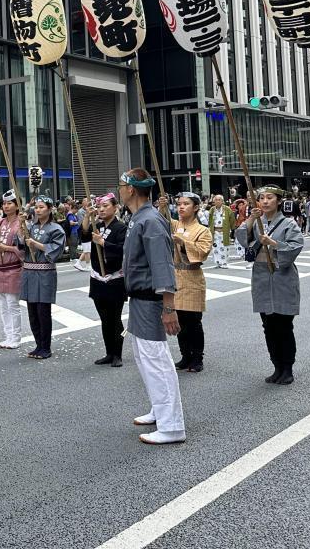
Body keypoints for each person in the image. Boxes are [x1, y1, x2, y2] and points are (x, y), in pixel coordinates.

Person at [119, 168, 185, 445]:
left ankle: (172, 426)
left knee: (157, 361)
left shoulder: (151, 221)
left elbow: (162, 265)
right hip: (139, 299)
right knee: (145, 359)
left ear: (131, 189)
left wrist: (169, 308)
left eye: (122, 185)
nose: (120, 189)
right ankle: (160, 410)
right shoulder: (139, 218)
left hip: (151, 301)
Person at [236, 185, 305, 385]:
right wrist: (250, 218)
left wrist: (274, 243)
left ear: (278, 201)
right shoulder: (257, 222)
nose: (265, 201)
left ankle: (287, 367)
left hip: (281, 275)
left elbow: (295, 246)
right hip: (261, 277)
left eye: (270, 198)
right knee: (268, 325)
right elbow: (241, 238)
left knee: (283, 325)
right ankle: (276, 366)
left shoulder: (288, 223)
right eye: (262, 198)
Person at [167, 192, 213, 373]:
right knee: (179, 321)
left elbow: (201, 253)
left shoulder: (203, 230)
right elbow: (162, 220)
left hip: (192, 277)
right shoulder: (175, 225)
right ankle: (185, 355)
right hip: (175, 276)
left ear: (195, 208)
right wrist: (163, 206)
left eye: (186, 204)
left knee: (193, 321)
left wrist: (184, 243)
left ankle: (197, 358)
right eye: (179, 203)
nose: (181, 207)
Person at [80, 192, 127, 367]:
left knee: (116, 319)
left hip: (114, 279)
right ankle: (108, 352)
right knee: (104, 318)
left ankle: (118, 354)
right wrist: (87, 216)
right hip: (98, 279)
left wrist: (104, 243)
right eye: (99, 206)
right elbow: (84, 235)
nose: (101, 209)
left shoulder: (121, 228)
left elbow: (123, 250)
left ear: (115, 208)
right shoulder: (96, 225)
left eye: (106, 206)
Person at [16, 196, 66, 359]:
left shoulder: (56, 229)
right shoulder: (29, 225)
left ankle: (46, 347)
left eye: (42, 207)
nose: (38, 210)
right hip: (30, 272)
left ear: (50, 209)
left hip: (45, 272)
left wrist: (36, 244)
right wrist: (20, 226)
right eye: (36, 207)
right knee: (32, 311)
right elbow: (21, 243)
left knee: (43, 311)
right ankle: (38, 344)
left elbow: (56, 250)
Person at [0, 190, 24, 350]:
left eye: (10, 203)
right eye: (4, 203)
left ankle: (16, 337)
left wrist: (7, 248)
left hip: (13, 269)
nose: (6, 206)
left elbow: (23, 250)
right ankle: (8, 335)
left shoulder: (21, 223)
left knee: (12, 304)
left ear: (17, 205)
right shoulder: (0, 222)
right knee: (3, 306)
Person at [208, 194, 236, 268]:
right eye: (216, 200)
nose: (217, 201)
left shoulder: (227, 209)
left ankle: (224, 263)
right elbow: (210, 220)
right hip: (215, 231)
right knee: (215, 247)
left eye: (219, 200)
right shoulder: (212, 209)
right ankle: (218, 263)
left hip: (224, 231)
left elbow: (232, 219)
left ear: (222, 201)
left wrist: (233, 229)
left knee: (224, 247)